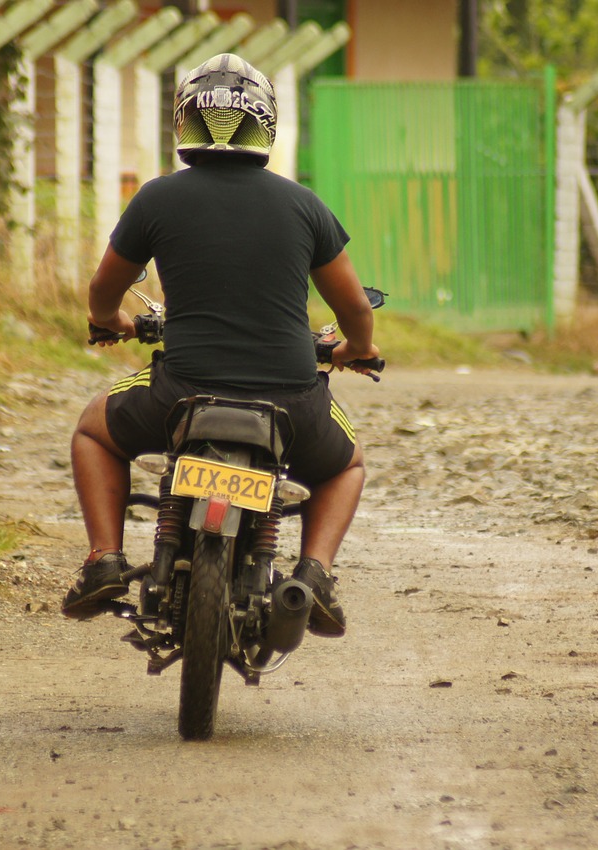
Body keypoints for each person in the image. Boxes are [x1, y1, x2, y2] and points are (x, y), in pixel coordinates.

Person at [60, 53, 379, 637]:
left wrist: (111, 321)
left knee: (90, 429)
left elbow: (104, 290)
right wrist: (355, 348)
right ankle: (315, 573)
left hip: (180, 393)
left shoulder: (156, 198)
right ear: (266, 123)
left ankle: (103, 558)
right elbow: (355, 309)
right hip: (292, 401)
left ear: (183, 121)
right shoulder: (305, 204)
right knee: (348, 463)